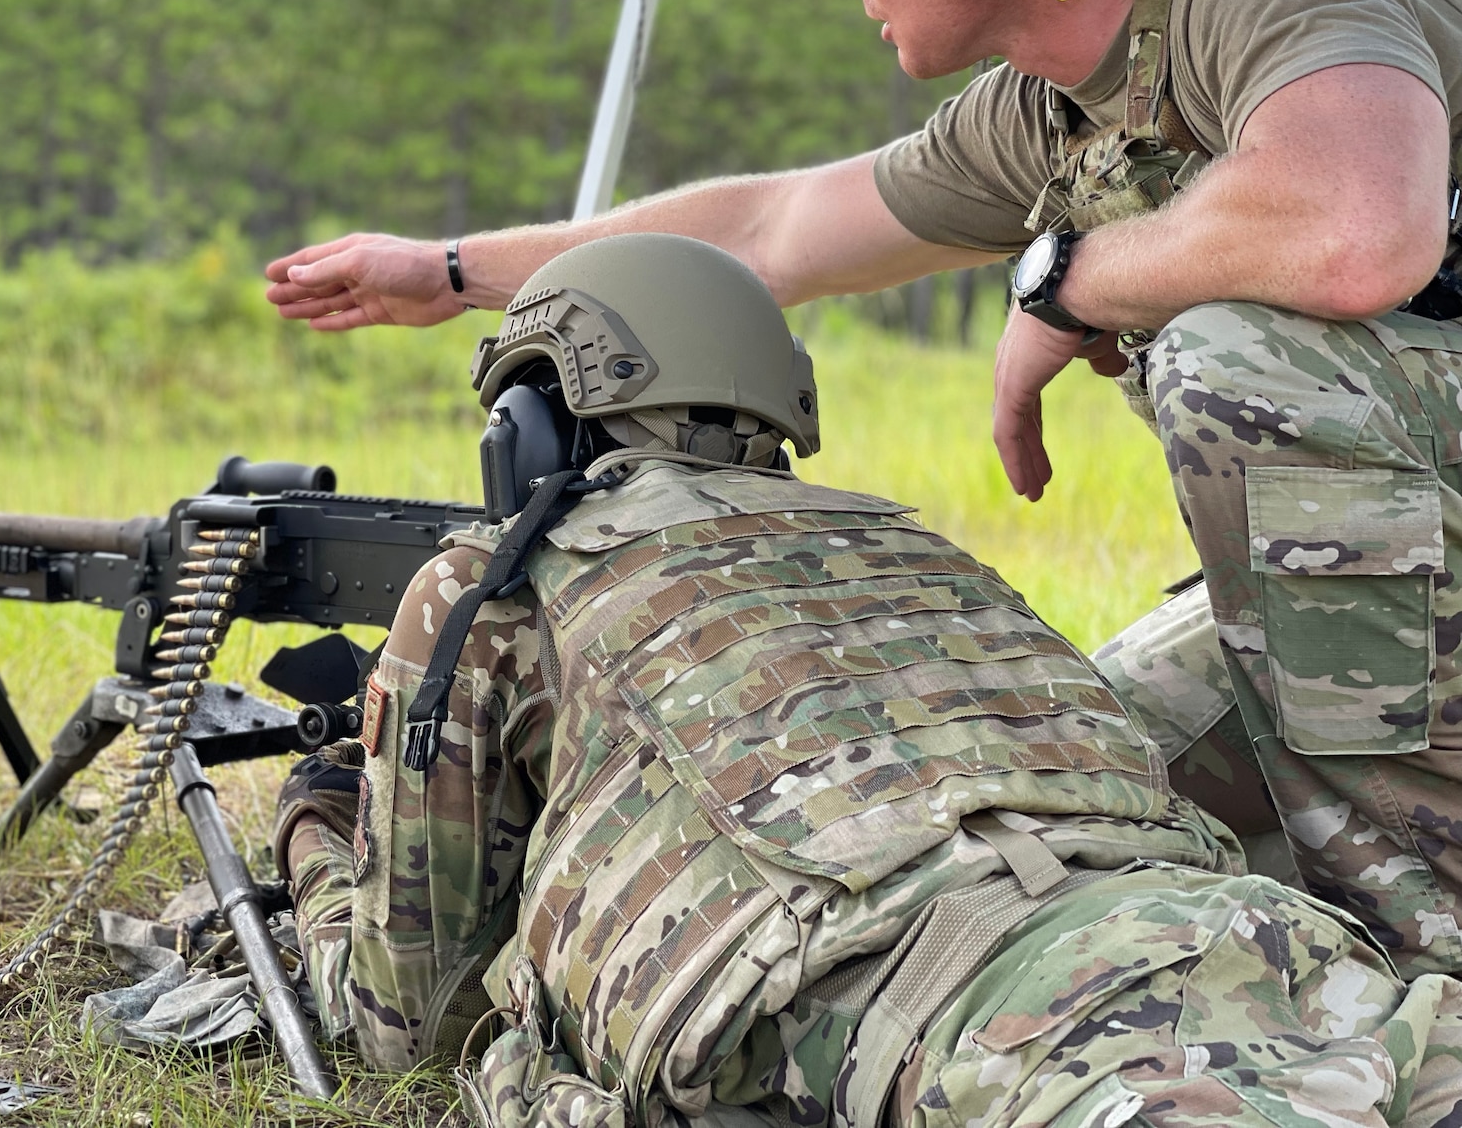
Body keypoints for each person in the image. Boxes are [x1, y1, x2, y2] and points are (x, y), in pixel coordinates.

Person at [263, 0, 1462, 978]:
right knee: (1080, 788)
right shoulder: (1047, 111)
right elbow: (773, 226)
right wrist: (448, 273)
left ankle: (1425, 950)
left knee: (1235, 358)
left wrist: (1064, 278)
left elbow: (1350, 227)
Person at [272, 233, 1462, 1128]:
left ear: (531, 422)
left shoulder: (504, 579)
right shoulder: (915, 551)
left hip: (994, 1028)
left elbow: (404, 1019)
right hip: (1281, 946)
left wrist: (315, 831)